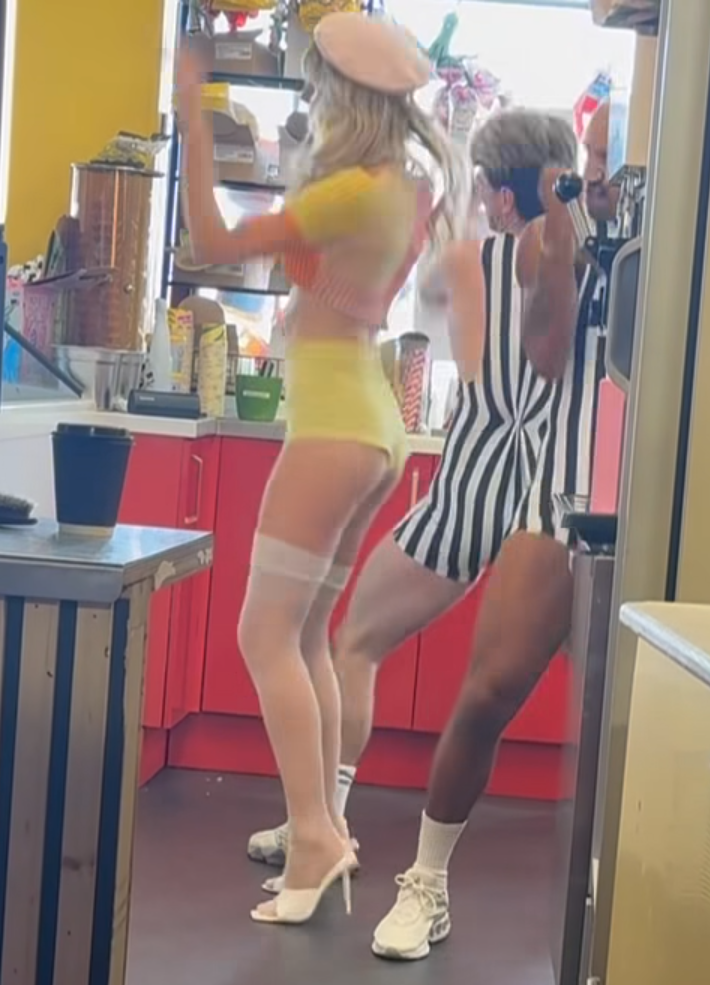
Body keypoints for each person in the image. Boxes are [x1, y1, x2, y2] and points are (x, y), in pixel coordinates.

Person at [176, 14, 464, 925]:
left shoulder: (352, 192)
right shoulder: (403, 188)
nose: (310, 99)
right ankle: (328, 826)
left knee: (263, 636)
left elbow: (210, 241)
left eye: (317, 87)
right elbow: (328, 278)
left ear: (346, 98)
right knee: (305, 639)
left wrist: (190, 114)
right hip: (372, 424)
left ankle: (313, 837)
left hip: (333, 424)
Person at [245, 108, 580, 874]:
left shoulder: (472, 260)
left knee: (355, 642)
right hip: (551, 497)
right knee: (559, 688)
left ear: (501, 195)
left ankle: (320, 824)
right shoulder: (579, 264)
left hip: (472, 486)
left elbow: (468, 361)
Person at [370, 99, 619, 960]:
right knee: (487, 691)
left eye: (605, 155)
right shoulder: (546, 241)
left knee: (637, 726)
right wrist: (562, 231)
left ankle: (629, 917)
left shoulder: (660, 239)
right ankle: (426, 884)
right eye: (588, 156)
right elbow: (546, 355)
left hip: (656, 496)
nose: (595, 171)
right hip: (562, 491)